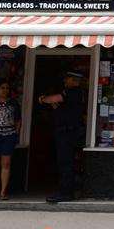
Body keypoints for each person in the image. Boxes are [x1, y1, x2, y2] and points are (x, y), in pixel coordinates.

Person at [38, 69, 87, 204]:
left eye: (67, 79)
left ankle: (66, 193)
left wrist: (43, 99)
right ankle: (66, 190)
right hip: (66, 132)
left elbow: (56, 98)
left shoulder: (73, 92)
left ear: (74, 80)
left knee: (66, 163)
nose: (65, 81)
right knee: (65, 162)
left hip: (68, 133)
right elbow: (60, 107)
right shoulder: (73, 95)